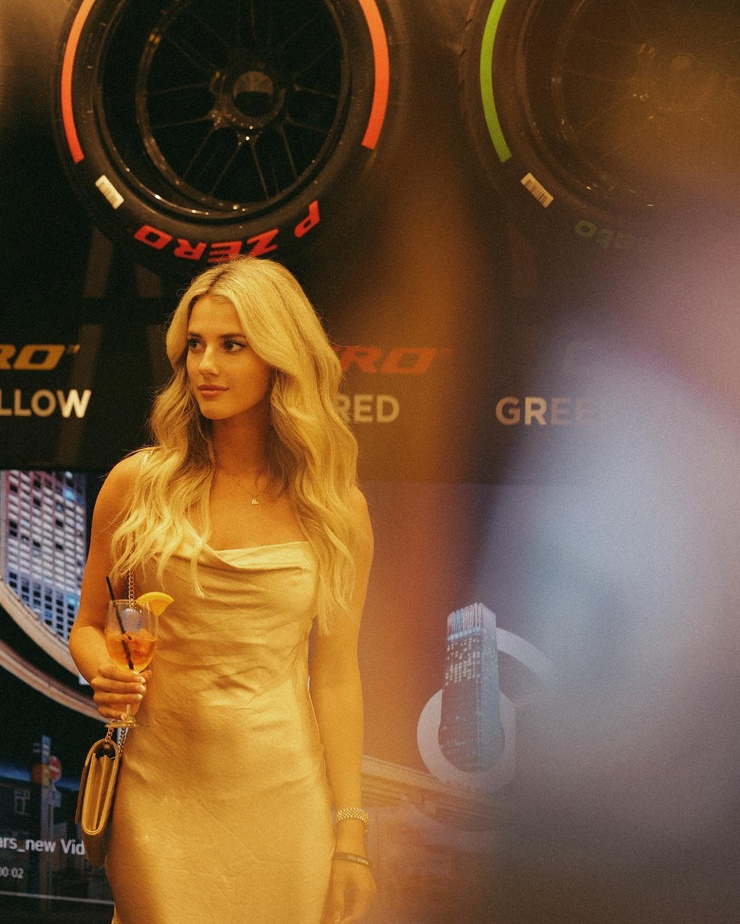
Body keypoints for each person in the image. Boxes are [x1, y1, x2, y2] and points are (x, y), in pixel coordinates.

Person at [69, 256, 376, 924]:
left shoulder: (336, 509)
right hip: (157, 787)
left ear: (280, 357)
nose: (205, 365)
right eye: (196, 345)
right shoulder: (136, 485)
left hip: (283, 793)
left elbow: (336, 675)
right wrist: (103, 673)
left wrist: (350, 834)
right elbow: (89, 625)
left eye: (232, 345)